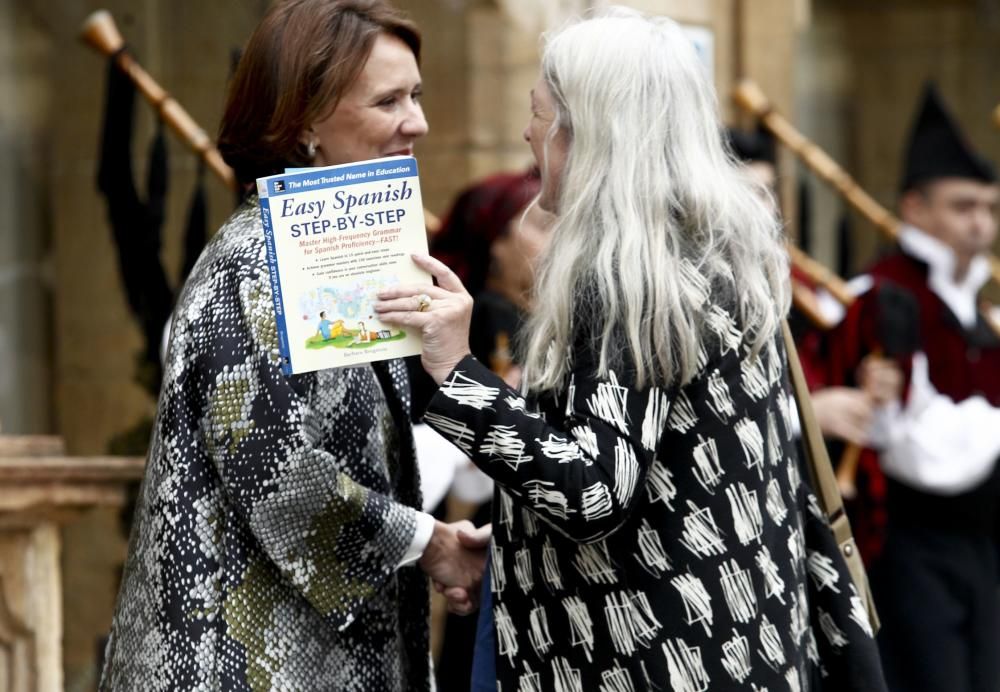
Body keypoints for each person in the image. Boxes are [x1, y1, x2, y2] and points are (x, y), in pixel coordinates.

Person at [377, 8, 884, 690]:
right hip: (739, 642)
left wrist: (454, 371)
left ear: (585, 130)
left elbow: (591, 490)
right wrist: (519, 545)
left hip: (648, 660)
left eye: (538, 113)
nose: (528, 133)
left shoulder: (628, 278)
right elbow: (674, 476)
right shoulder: (718, 249)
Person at [98, 2, 485, 690]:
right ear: (304, 119)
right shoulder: (252, 262)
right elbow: (278, 471)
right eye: (389, 99)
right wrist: (431, 545)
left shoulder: (332, 249)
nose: (419, 122)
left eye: (416, 95)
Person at [822, 83, 1000, 692]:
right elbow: (920, 452)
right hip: (908, 546)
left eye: (989, 208)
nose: (980, 224)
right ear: (915, 209)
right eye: (963, 206)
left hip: (982, 545)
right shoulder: (875, 298)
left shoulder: (973, 305)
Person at [727, 127, 903, 483]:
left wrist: (871, 377)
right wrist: (805, 416)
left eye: (767, 192)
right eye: (745, 193)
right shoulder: (695, 296)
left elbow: (822, 368)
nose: (764, 209)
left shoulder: (796, 287)